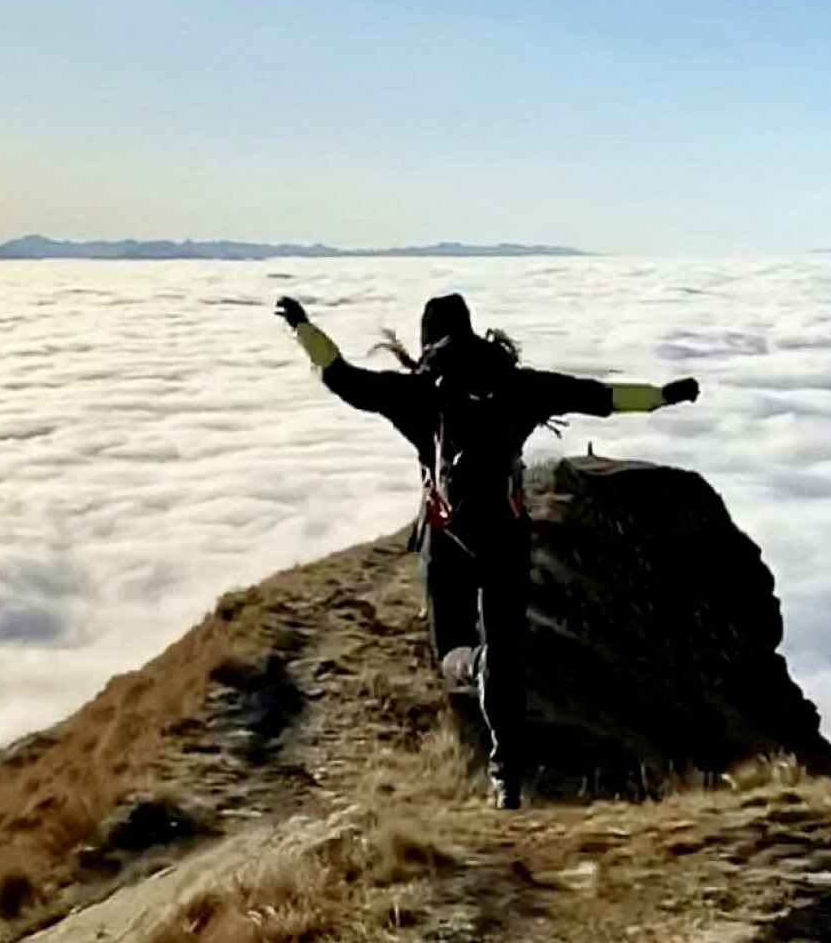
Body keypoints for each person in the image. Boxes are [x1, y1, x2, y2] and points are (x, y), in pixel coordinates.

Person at [274, 292, 699, 808]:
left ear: (427, 338)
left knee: (452, 649)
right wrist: (663, 395)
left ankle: (474, 667)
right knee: (508, 651)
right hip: (506, 534)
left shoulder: (416, 393)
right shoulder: (521, 387)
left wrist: (301, 327)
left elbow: (339, 377)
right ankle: (507, 777)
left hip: (446, 536)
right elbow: (602, 397)